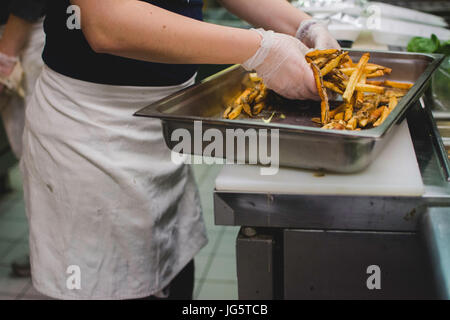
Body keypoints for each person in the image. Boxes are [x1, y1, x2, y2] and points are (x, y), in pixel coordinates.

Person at [21, 0, 339, 300]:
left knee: (172, 279)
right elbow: (107, 22)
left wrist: (303, 26)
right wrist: (260, 49)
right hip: (94, 132)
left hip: (166, 126)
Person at [0, 0, 47, 277]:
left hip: (24, 35)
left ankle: (53, 256)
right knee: (28, 157)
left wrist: (5, 58)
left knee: (37, 159)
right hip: (14, 37)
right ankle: (48, 251)